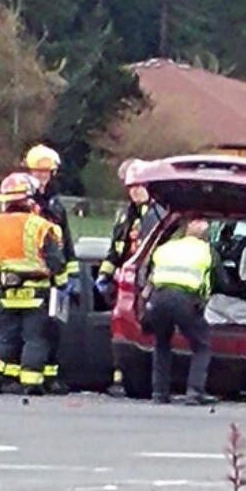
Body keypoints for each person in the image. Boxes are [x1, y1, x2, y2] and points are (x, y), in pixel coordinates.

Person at [0, 172, 66, 396]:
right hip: (37, 292)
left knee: (3, 337)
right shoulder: (41, 227)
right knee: (35, 338)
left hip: (5, 291)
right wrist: (61, 285)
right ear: (30, 200)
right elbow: (56, 262)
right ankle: (31, 382)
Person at [100, 158, 164, 396]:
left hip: (148, 280)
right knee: (121, 327)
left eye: (140, 187)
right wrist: (105, 274)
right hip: (126, 279)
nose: (135, 192)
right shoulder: (126, 215)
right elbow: (116, 248)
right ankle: (120, 377)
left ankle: (148, 379)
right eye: (131, 188)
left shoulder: (159, 213)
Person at [146, 218, 217, 406]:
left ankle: (159, 393)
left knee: (161, 343)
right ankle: (194, 393)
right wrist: (202, 303)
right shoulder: (206, 251)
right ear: (205, 237)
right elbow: (209, 283)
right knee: (201, 346)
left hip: (158, 298)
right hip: (184, 299)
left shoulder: (166, 247)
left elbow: (151, 273)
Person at [24, 144, 76, 395]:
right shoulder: (22, 202)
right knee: (32, 330)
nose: (42, 178)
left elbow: (65, 242)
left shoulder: (56, 205)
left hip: (55, 275)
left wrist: (70, 274)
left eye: (46, 173)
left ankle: (51, 377)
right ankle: (30, 378)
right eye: (37, 173)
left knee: (53, 328)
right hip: (32, 274)